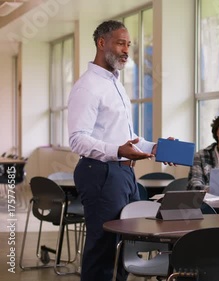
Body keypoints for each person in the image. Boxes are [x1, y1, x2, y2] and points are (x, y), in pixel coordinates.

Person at [68, 20, 166, 281]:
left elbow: (127, 139)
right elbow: (77, 139)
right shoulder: (87, 86)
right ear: (102, 43)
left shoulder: (116, 84)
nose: (126, 50)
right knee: (103, 249)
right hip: (100, 173)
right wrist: (117, 150)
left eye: (128, 45)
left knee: (124, 247)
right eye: (120, 43)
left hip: (123, 174)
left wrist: (154, 147)